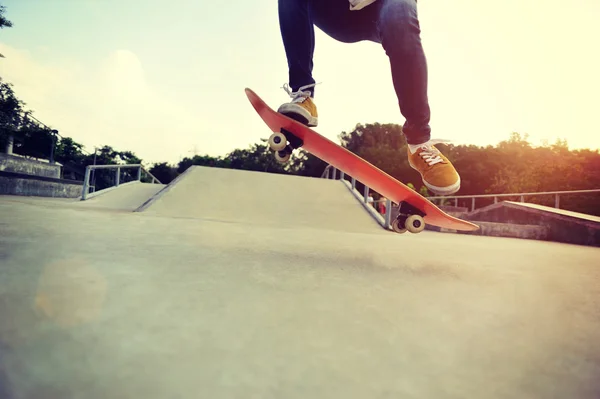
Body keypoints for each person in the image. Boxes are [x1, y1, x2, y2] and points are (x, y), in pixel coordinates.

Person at [277, 0, 460, 196]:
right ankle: (303, 95)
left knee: (401, 10)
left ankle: (419, 143)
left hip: (382, 9)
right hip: (337, 11)